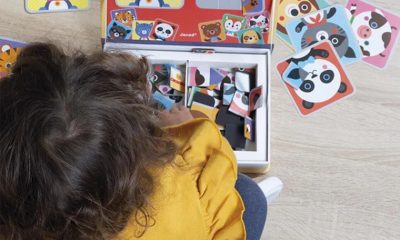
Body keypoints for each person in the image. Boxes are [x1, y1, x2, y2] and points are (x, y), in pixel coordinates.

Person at [0, 43, 281, 240]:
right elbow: (218, 157)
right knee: (249, 197)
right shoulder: (180, 174)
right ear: (135, 142)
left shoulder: (15, 216)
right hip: (195, 224)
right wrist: (188, 124)